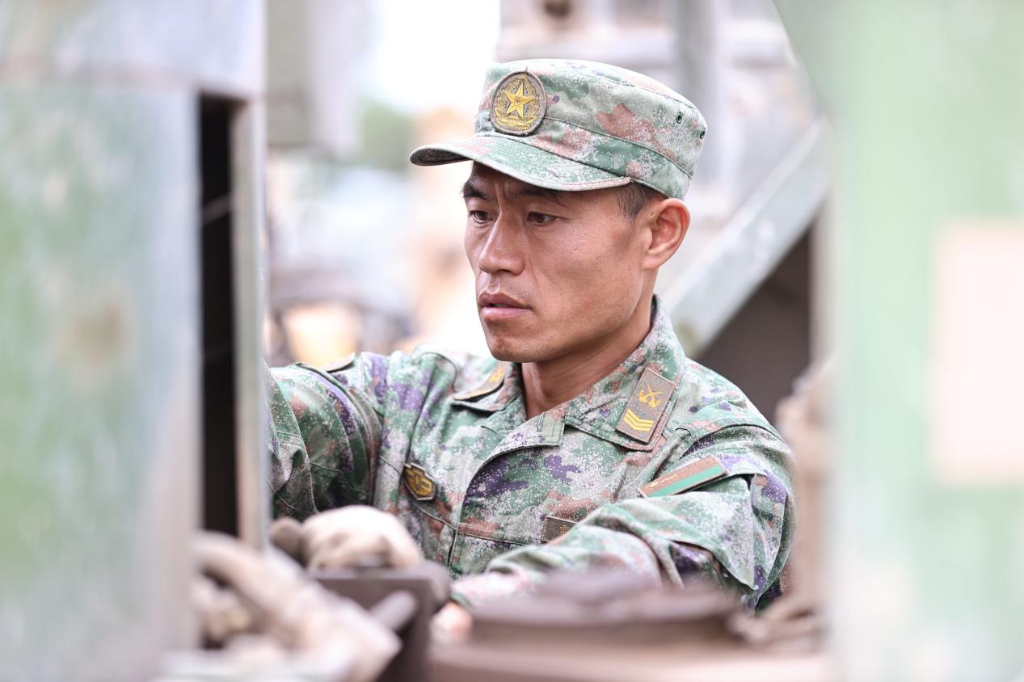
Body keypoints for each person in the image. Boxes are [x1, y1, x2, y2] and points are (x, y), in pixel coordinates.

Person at [265, 59, 795, 633]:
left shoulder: (725, 460)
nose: (494, 256)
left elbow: (632, 576)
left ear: (658, 234)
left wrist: (432, 602)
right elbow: (255, 416)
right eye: (480, 213)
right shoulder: (414, 400)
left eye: (541, 217)